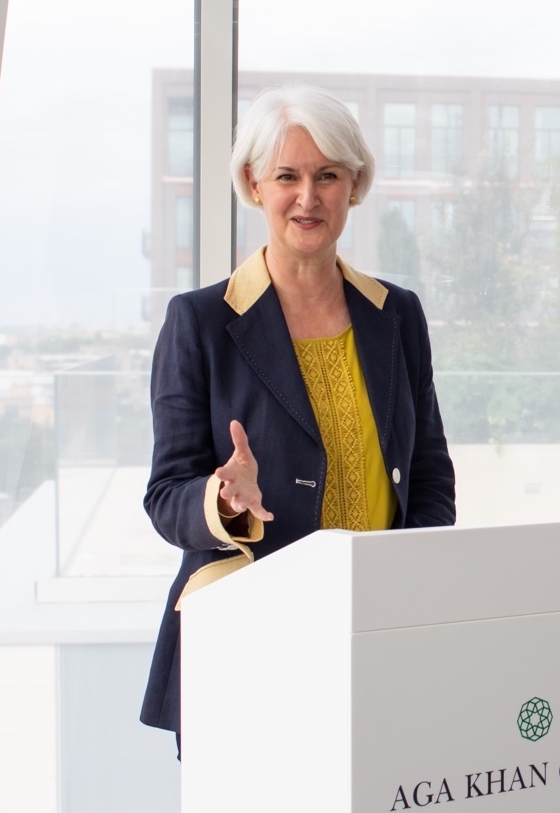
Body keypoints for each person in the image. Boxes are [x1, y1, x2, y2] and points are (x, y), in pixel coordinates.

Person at [139, 85, 457, 742]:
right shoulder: (197, 323)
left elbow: (428, 475)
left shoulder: (397, 316)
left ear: (355, 186)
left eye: (327, 176)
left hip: (374, 637)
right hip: (247, 640)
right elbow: (166, 496)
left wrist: (410, 587)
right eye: (287, 176)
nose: (308, 198)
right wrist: (223, 501)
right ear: (254, 184)